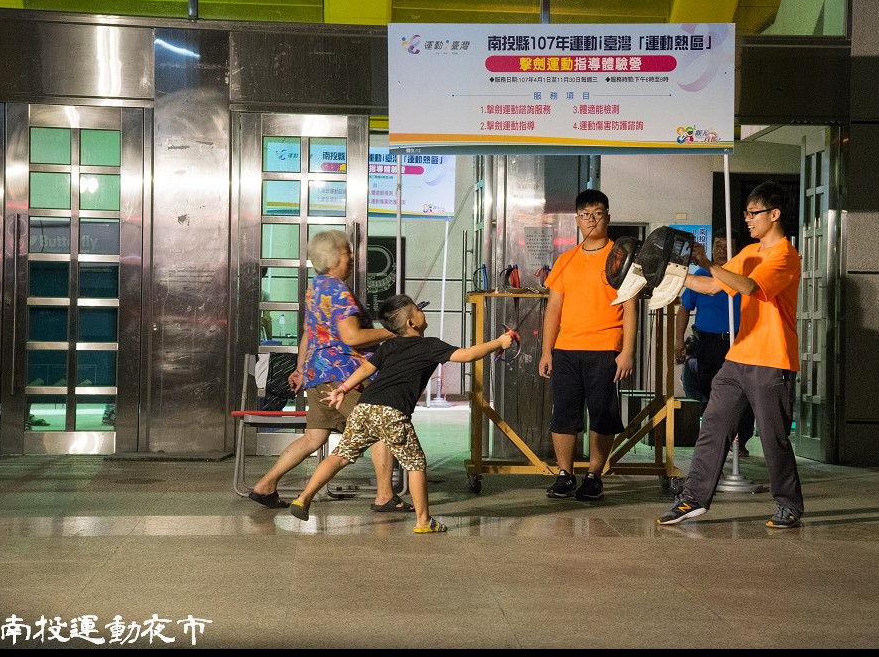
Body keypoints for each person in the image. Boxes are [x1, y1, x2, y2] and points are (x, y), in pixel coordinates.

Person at [288, 295, 516, 534]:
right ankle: (423, 521)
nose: (421, 311)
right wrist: (499, 342)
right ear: (412, 323)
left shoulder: (389, 346)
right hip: (392, 412)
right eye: (417, 310)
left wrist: (343, 389)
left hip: (365, 408)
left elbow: (367, 368)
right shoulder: (430, 346)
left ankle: (303, 498)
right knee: (415, 463)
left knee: (341, 455)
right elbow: (468, 355)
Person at [657, 181, 804, 529]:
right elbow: (711, 286)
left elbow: (749, 286)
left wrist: (708, 262)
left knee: (773, 438)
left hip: (772, 358)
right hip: (738, 356)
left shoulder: (784, 255)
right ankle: (693, 498)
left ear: (775, 214)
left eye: (754, 213)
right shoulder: (749, 252)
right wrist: (672, 274)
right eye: (746, 213)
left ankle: (789, 504)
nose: (748, 219)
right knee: (714, 425)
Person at [248, 230, 408, 513]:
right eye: (347, 253)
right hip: (344, 377)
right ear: (334, 258)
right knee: (382, 429)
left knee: (314, 437)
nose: (351, 258)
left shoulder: (316, 287)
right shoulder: (338, 290)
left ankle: (265, 485)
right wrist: (391, 332)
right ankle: (384, 496)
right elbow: (352, 338)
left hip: (318, 375)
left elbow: (310, 333)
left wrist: (300, 370)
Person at [539, 189, 637, 501]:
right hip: (566, 349)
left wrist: (627, 352)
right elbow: (553, 308)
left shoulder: (622, 259)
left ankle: (594, 475)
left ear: (608, 216)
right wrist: (546, 350)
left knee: (602, 415)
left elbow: (632, 308)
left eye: (597, 213)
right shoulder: (565, 261)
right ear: (577, 220)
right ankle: (565, 474)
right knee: (564, 414)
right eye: (585, 214)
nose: (591, 220)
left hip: (606, 348)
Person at [675, 232, 755, 458]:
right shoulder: (700, 276)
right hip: (708, 343)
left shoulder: (742, 276)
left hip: (739, 340)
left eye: (726, 245)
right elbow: (684, 309)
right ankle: (714, 439)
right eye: (717, 245)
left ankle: (741, 439)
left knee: (744, 392)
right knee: (711, 393)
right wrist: (678, 340)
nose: (721, 249)